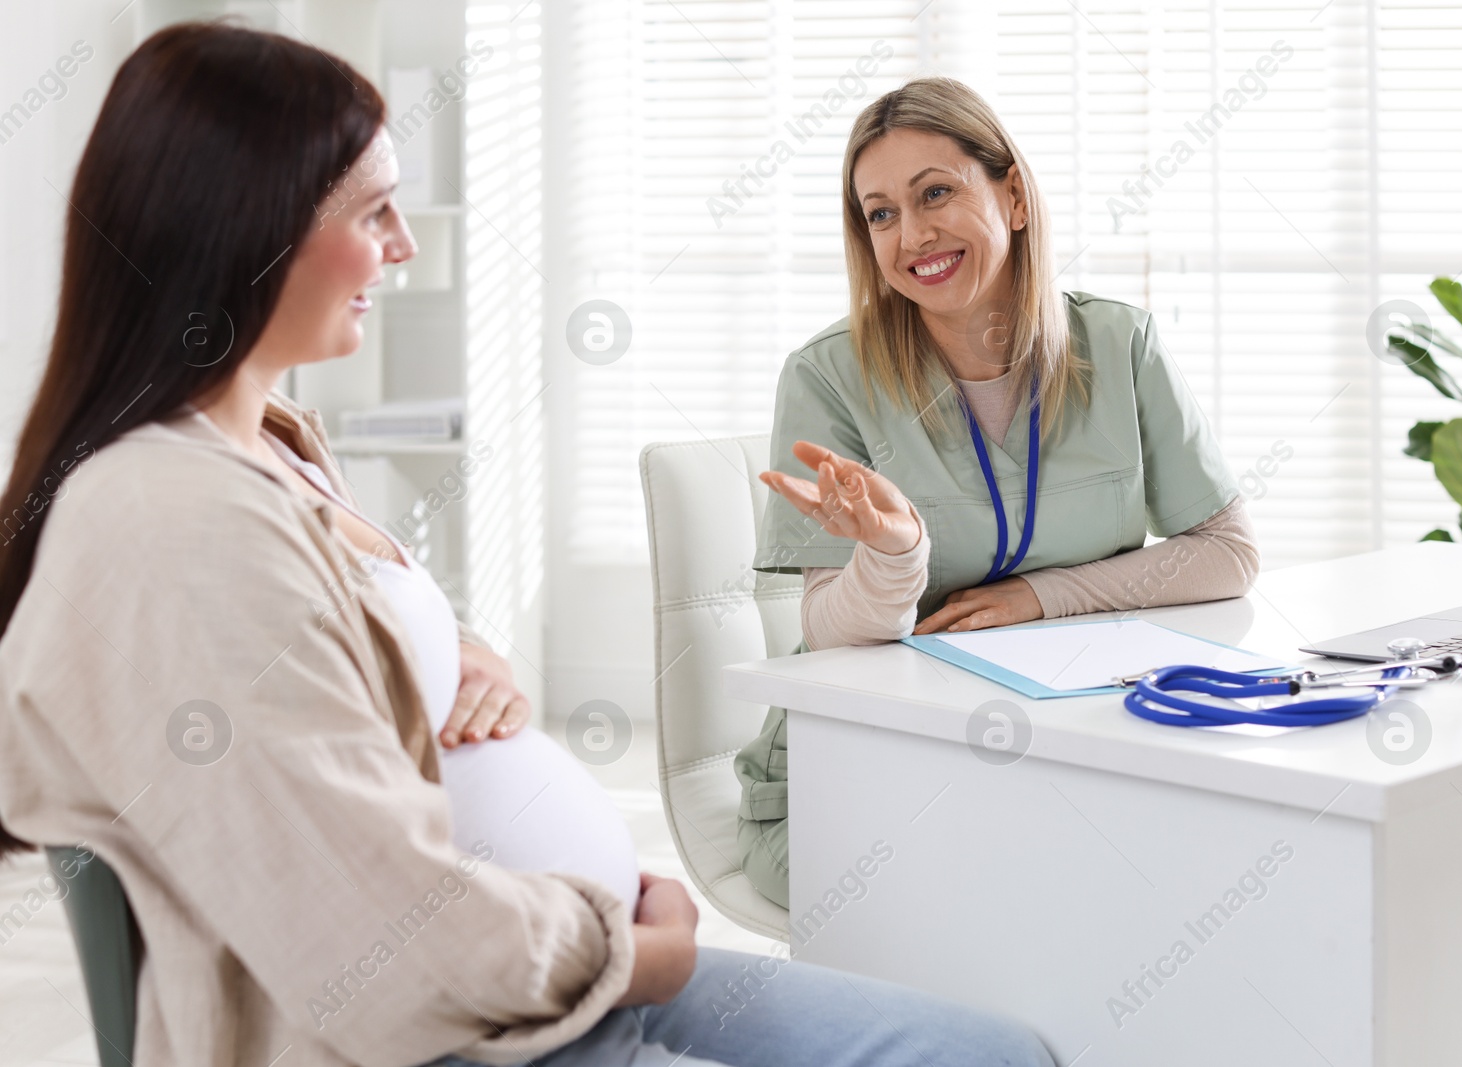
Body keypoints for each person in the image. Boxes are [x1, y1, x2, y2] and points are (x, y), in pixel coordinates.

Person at [0, 25, 1055, 1067]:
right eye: (374, 212)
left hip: (549, 972)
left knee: (998, 1050)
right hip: (463, 1023)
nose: (405, 244)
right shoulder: (168, 527)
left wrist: (464, 654)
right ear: (245, 227)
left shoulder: (274, 441)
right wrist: (635, 952)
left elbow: (359, 634)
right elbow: (383, 948)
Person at [734, 77, 1261, 909]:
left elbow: (1227, 555)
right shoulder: (828, 375)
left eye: (935, 192)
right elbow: (829, 633)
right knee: (1028, 895)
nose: (912, 235)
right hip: (859, 771)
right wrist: (894, 556)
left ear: (1012, 195)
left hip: (1072, 751)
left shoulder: (1120, 344)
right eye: (880, 213)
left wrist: (1041, 597)